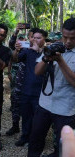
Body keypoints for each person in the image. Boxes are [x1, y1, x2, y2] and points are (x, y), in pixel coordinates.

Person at [28, 18, 75, 157]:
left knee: (62, 146)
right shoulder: (54, 47)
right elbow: (37, 72)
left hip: (65, 109)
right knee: (35, 141)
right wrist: (46, 58)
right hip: (45, 104)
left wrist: (60, 61)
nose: (67, 41)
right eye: (65, 37)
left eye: (72, 38)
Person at [12, 28, 46, 147]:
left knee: (38, 119)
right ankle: (24, 137)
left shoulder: (47, 52)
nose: (35, 40)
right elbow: (15, 59)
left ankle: (36, 140)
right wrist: (16, 50)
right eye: (34, 37)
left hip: (41, 92)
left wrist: (40, 51)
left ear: (44, 39)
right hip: (26, 89)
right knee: (26, 116)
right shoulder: (27, 51)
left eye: (39, 38)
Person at [6, 29, 36, 136]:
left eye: (34, 37)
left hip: (31, 86)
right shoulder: (24, 48)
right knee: (15, 104)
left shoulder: (41, 51)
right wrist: (17, 50)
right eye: (31, 37)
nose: (32, 39)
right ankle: (15, 126)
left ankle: (28, 132)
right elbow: (14, 58)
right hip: (19, 83)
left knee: (29, 110)